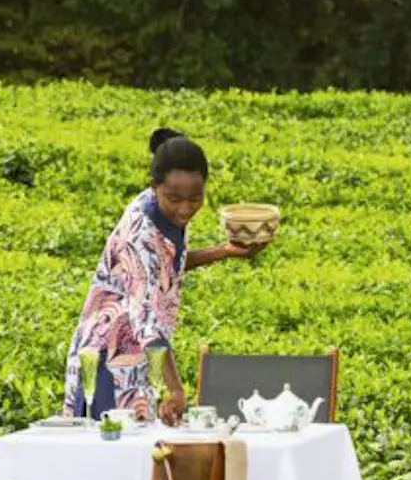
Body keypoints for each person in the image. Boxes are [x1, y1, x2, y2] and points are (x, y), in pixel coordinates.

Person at [60, 127, 261, 426]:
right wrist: (177, 389)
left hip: (140, 357)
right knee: (112, 453)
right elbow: (147, 319)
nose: (185, 209)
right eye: (175, 198)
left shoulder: (162, 208)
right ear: (154, 187)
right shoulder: (139, 232)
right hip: (107, 358)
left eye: (195, 199)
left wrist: (225, 251)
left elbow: (166, 265)